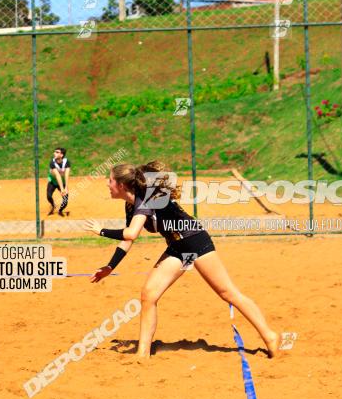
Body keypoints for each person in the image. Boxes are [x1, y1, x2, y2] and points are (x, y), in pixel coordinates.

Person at [84, 161, 280, 359]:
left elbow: (131, 233)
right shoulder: (131, 204)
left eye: (109, 181)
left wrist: (100, 230)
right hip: (177, 247)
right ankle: (142, 354)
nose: (107, 184)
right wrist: (110, 266)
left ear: (121, 185)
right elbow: (128, 240)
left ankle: (270, 336)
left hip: (195, 242)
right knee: (149, 295)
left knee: (228, 293)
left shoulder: (145, 200)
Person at [47, 147, 71, 216]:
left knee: (65, 201)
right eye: (54, 152)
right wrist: (62, 189)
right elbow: (57, 176)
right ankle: (53, 205)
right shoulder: (52, 162)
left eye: (57, 152)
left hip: (62, 182)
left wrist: (65, 188)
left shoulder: (66, 162)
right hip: (53, 182)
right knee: (49, 196)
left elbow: (66, 175)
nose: (54, 153)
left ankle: (60, 210)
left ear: (61, 155)